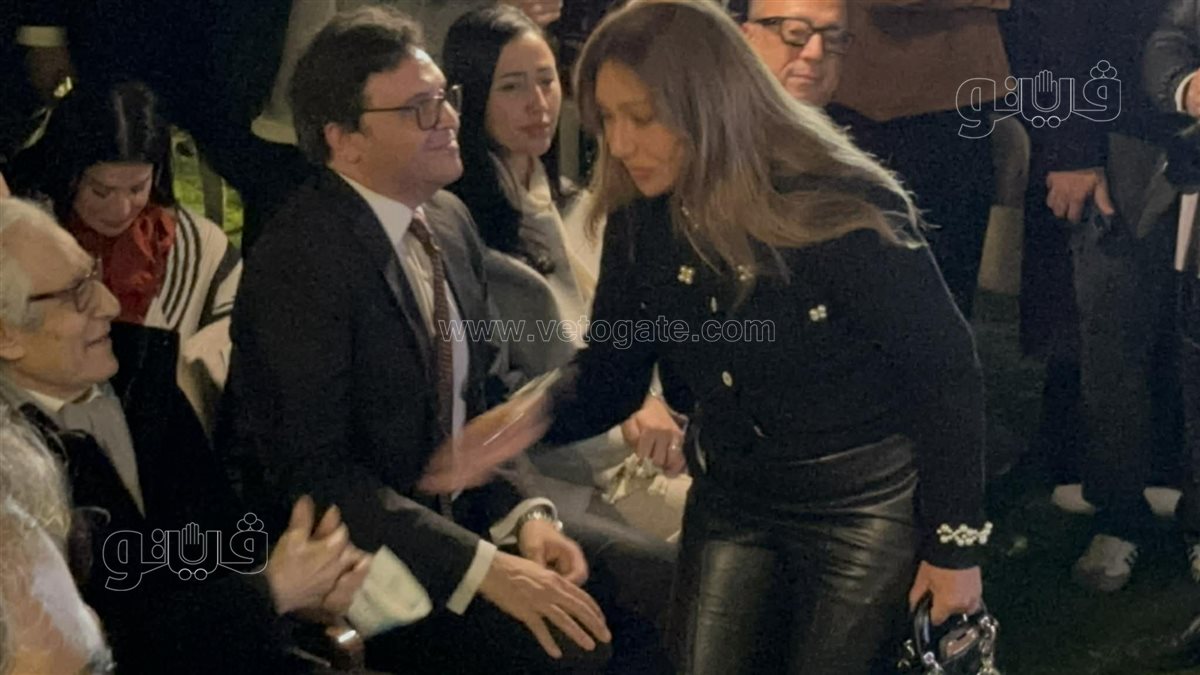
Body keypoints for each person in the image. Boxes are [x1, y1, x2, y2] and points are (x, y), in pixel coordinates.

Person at [421, 2, 989, 673]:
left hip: (861, 506)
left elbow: (947, 373)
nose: (620, 144)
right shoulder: (641, 214)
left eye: (641, 117)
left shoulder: (839, 201)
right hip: (732, 495)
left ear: (708, 102)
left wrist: (954, 551)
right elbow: (613, 372)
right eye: (607, 119)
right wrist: (521, 421)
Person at [221, 7, 670, 673]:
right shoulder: (301, 260)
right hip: (361, 560)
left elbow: (482, 398)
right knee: (572, 645)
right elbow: (316, 473)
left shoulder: (447, 219)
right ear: (344, 140)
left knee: (668, 584)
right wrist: (485, 567)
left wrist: (529, 518)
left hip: (468, 520)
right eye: (420, 109)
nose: (451, 119)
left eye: (447, 98)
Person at [0, 196, 370, 674]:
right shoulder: (13, 468)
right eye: (77, 294)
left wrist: (304, 588)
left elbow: (220, 536)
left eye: (93, 275)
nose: (111, 303)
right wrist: (268, 591)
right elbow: (95, 648)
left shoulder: (139, 380)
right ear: (6, 336)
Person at [442, 5, 686, 524]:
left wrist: (648, 398)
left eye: (547, 80)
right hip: (561, 468)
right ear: (472, 95)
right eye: (512, 87)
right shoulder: (465, 234)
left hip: (653, 444)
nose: (538, 103)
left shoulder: (584, 203)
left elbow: (638, 333)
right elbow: (496, 388)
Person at [12, 80, 240, 426]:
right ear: (67, 171)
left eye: (137, 188)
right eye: (100, 191)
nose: (120, 209)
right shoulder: (22, 248)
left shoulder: (200, 249)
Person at [735, 0, 851, 108]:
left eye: (832, 39)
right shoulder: (725, 119)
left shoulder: (854, 123)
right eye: (796, 33)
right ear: (745, 39)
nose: (815, 54)